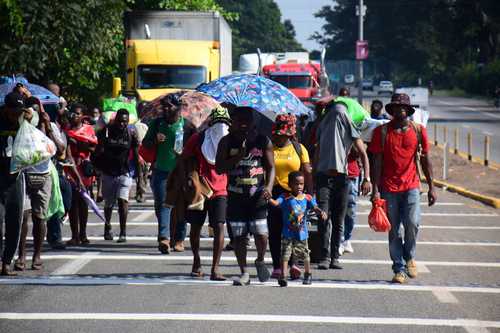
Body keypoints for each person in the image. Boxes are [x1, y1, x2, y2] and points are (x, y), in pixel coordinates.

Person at [369, 93, 437, 284]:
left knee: (413, 223)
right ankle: (398, 268)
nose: (400, 110)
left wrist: (432, 186)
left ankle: (409, 257)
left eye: (403, 107)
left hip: (412, 186)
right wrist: (375, 189)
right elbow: (376, 163)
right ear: (391, 110)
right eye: (396, 107)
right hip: (388, 188)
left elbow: (425, 160)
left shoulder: (418, 130)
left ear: (408, 110)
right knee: (394, 230)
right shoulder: (381, 132)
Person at [216, 107, 275, 286]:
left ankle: (260, 259)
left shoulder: (263, 141)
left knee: (261, 234)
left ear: (253, 122)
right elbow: (219, 168)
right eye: (239, 120)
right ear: (232, 122)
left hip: (257, 195)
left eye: (247, 120)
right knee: (239, 236)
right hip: (235, 196)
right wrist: (238, 156)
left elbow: (271, 167)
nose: (243, 124)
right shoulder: (226, 142)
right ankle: (244, 272)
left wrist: (269, 186)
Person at [314, 101, 372, 270]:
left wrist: (366, 178)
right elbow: (317, 153)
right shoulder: (322, 127)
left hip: (342, 179)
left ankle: (334, 257)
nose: (336, 115)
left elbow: (363, 154)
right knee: (323, 217)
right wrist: (312, 179)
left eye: (340, 112)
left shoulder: (350, 128)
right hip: (323, 178)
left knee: (338, 219)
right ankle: (324, 256)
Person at [1, 92, 53, 273]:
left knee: (14, 221)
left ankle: (6, 262)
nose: (16, 115)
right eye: (13, 111)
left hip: (15, 177)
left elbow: (36, 118)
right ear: (5, 108)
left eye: (19, 111)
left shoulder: (26, 121)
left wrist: (32, 118)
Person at [181, 106, 231, 280]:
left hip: (221, 189)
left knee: (218, 226)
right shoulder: (198, 138)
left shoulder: (231, 140)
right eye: (218, 123)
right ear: (211, 124)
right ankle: (196, 260)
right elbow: (185, 158)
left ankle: (215, 268)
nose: (221, 127)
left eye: (225, 123)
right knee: (195, 227)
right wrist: (189, 177)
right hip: (200, 188)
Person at [142, 94, 195, 254]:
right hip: (160, 171)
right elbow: (145, 144)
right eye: (163, 106)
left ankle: (178, 239)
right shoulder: (157, 124)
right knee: (163, 205)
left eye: (168, 106)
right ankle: (163, 238)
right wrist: (155, 140)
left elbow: (195, 150)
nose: (165, 109)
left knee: (181, 207)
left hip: (181, 172)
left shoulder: (187, 126)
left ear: (178, 107)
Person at [268, 114, 313, 280]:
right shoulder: (269, 147)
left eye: (282, 134)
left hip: (294, 197)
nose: (278, 136)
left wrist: (310, 195)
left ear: (289, 133)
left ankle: (294, 263)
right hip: (275, 194)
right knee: (274, 230)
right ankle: (277, 266)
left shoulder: (299, 148)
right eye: (276, 134)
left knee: (294, 230)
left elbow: (307, 171)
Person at [267, 171, 327, 287]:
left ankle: (308, 273)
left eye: (301, 184)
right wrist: (269, 198)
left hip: (302, 233)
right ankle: (283, 276)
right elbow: (275, 203)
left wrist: (321, 212)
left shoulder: (307, 198)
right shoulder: (285, 197)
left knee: (304, 254)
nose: (299, 186)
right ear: (289, 184)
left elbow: (315, 208)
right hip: (287, 232)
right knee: (285, 254)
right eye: (296, 184)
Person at [94, 109, 141, 243]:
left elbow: (137, 157)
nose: (122, 124)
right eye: (120, 121)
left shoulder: (131, 133)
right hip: (108, 172)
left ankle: (123, 232)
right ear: (115, 120)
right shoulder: (107, 132)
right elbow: (98, 152)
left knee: (122, 201)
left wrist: (139, 182)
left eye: (125, 122)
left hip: (125, 172)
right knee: (109, 204)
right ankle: (107, 226)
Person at [65, 103, 97, 246]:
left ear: (82, 116)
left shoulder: (88, 129)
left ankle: (83, 234)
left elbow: (93, 147)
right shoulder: (65, 130)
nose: (75, 115)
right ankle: (74, 235)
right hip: (69, 169)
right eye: (73, 112)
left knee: (83, 201)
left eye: (78, 113)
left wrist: (77, 142)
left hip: (84, 168)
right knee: (72, 202)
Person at [340, 150, 360, 255]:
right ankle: (339, 240)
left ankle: (347, 239)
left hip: (351, 175)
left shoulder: (353, 133)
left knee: (350, 211)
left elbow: (360, 152)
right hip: (333, 173)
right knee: (336, 210)